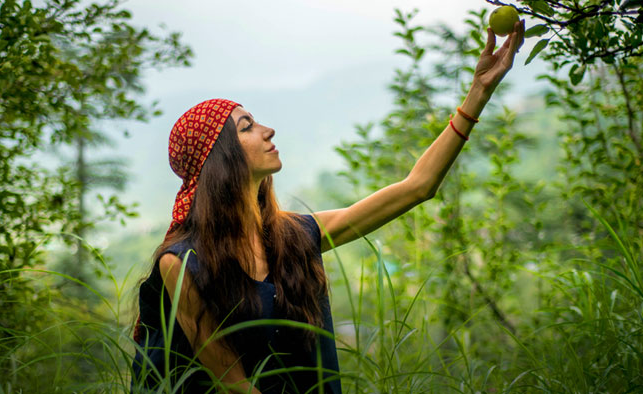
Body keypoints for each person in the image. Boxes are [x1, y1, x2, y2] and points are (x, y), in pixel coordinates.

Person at [130, 20, 525, 394]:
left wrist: (480, 91)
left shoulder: (296, 236)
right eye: (246, 126)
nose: (267, 130)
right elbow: (234, 385)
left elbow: (417, 188)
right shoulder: (181, 265)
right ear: (221, 160)